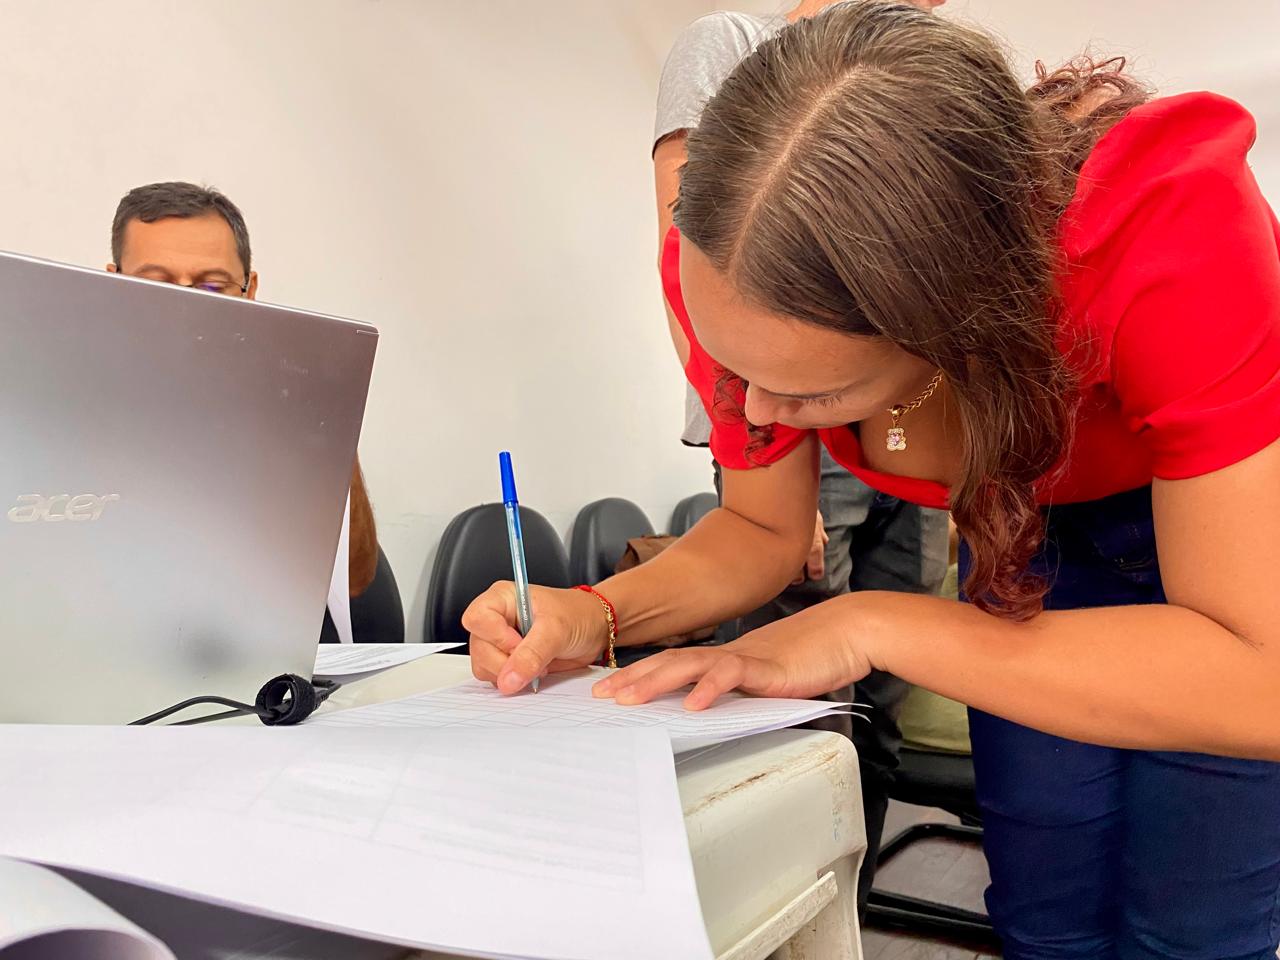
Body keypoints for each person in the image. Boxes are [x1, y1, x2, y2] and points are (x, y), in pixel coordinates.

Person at [466, 4, 1280, 957]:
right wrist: (596, 612)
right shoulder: (740, 266)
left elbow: (1258, 682)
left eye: (814, 392)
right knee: (1041, 901)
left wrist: (869, 622)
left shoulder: (1159, 226)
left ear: (955, 320)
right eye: (738, 374)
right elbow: (763, 531)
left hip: (1215, 541)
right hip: (1022, 544)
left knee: (1193, 918)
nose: (757, 413)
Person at [650, 0, 949, 912]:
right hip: (813, 439)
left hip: (903, 396)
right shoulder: (726, 44)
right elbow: (700, 252)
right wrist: (764, 435)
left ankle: (842, 892)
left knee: (883, 690)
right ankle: (789, 892)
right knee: (794, 699)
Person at [107, 181, 383, 642]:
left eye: (212, 286)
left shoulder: (290, 399)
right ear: (113, 283)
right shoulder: (63, 399)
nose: (186, 305)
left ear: (249, 290)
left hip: (263, 669)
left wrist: (324, 423)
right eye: (155, 285)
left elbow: (355, 576)